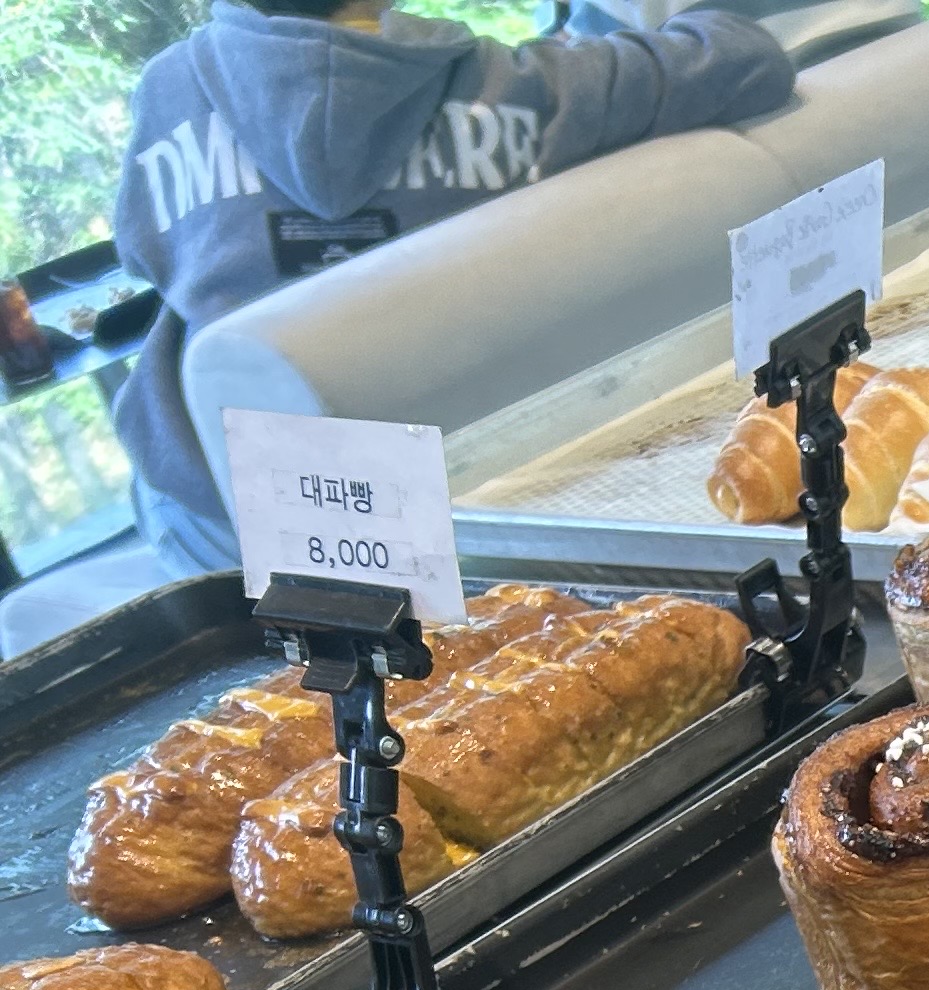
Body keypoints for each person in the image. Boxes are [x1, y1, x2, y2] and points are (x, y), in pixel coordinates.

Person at [111, 0, 797, 574]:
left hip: (215, 509)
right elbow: (744, 57)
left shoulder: (168, 94)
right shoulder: (516, 88)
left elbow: (143, 255)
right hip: (462, 500)